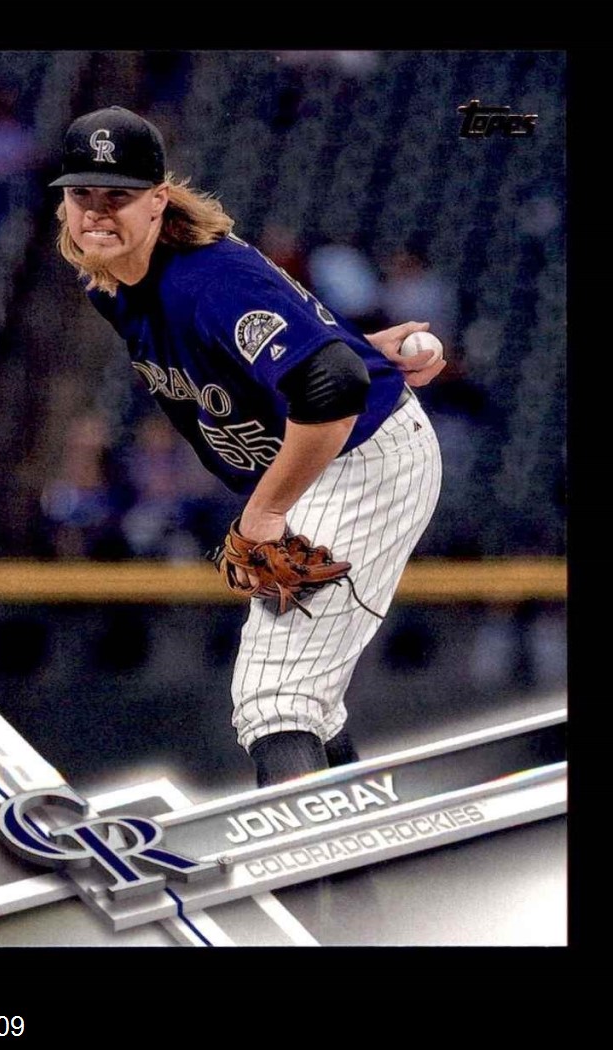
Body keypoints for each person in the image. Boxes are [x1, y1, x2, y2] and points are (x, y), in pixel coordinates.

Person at [49, 106, 446, 787]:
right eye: (81, 193)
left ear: (158, 199)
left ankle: (305, 855)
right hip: (327, 460)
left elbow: (333, 385)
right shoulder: (113, 284)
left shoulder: (204, 279)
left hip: (360, 462)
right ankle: (358, 848)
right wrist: (356, 347)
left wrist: (265, 512)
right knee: (308, 695)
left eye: (118, 195)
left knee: (274, 698)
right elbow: (303, 353)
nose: (96, 211)